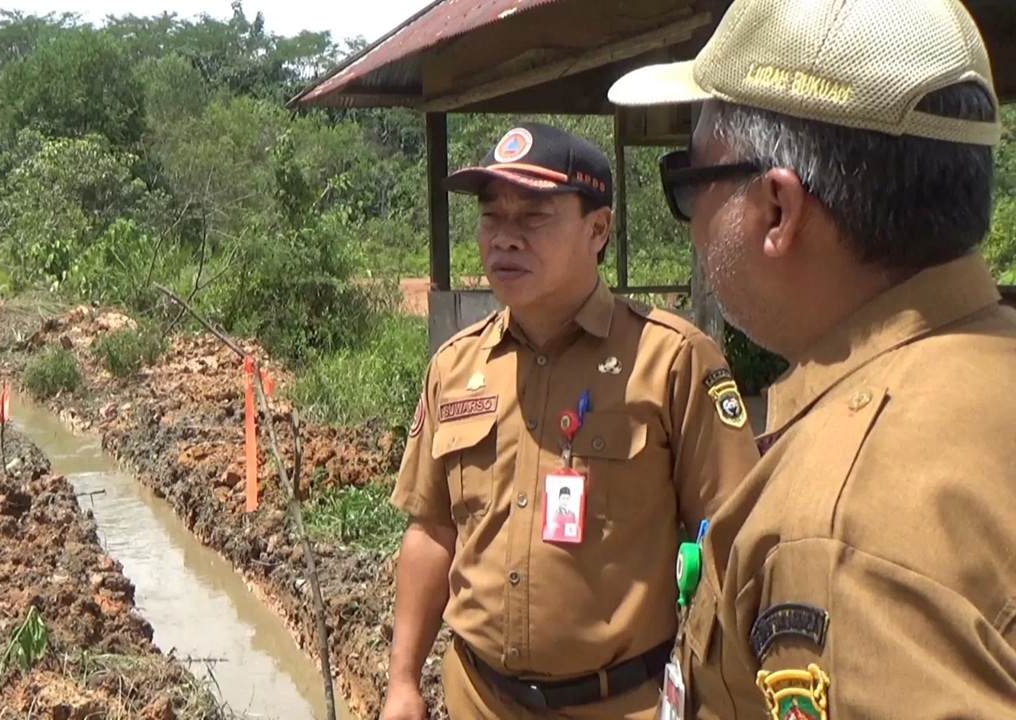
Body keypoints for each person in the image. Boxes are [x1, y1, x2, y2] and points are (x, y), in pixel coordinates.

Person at [607, 0, 1016, 717]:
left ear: (777, 209)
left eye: (690, 180)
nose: (694, 227)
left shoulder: (836, 528)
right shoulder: (989, 363)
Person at [379, 121, 762, 720]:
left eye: (534, 217)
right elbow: (432, 531)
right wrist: (403, 681)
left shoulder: (671, 361)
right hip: (477, 698)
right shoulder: (455, 367)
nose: (505, 238)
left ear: (597, 229)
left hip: (621, 703)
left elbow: (735, 546)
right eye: (491, 217)